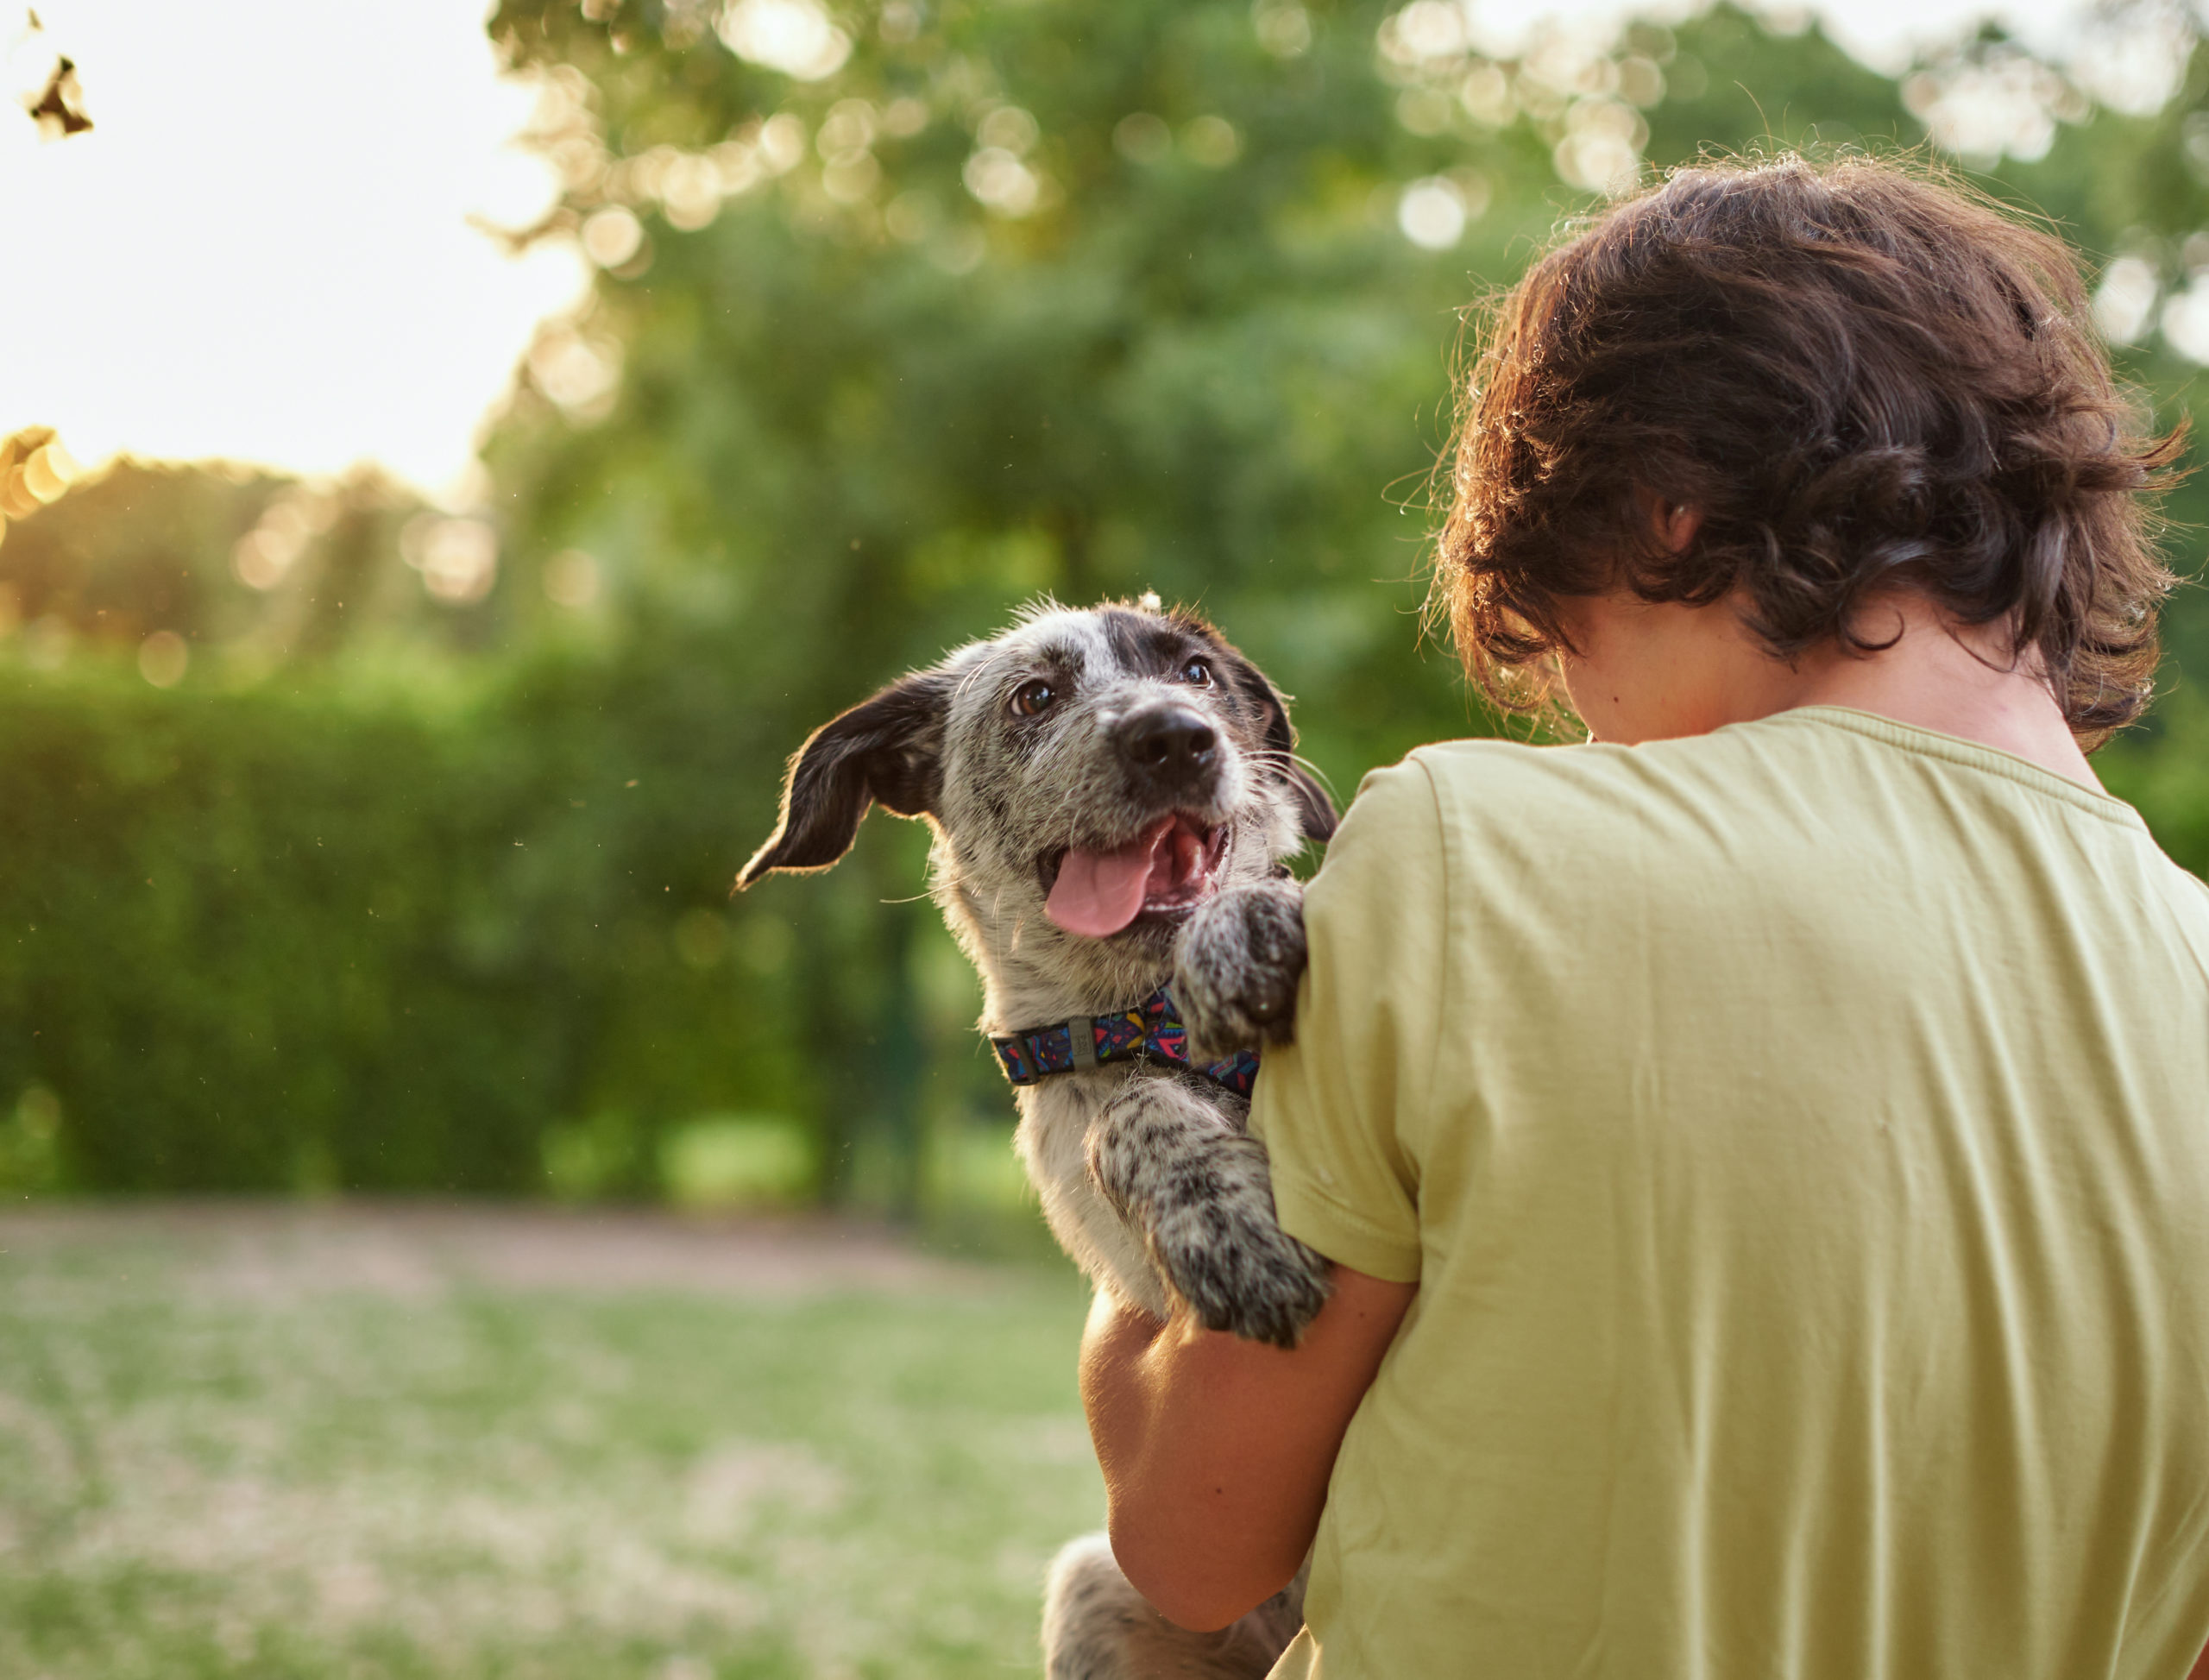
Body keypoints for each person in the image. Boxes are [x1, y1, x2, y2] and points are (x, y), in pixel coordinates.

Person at [1077, 154, 2209, 1678]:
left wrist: (1122, 1216)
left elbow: (1193, 1546)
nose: (1587, 734)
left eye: (1563, 654)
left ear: (1661, 513)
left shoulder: (1474, 855)